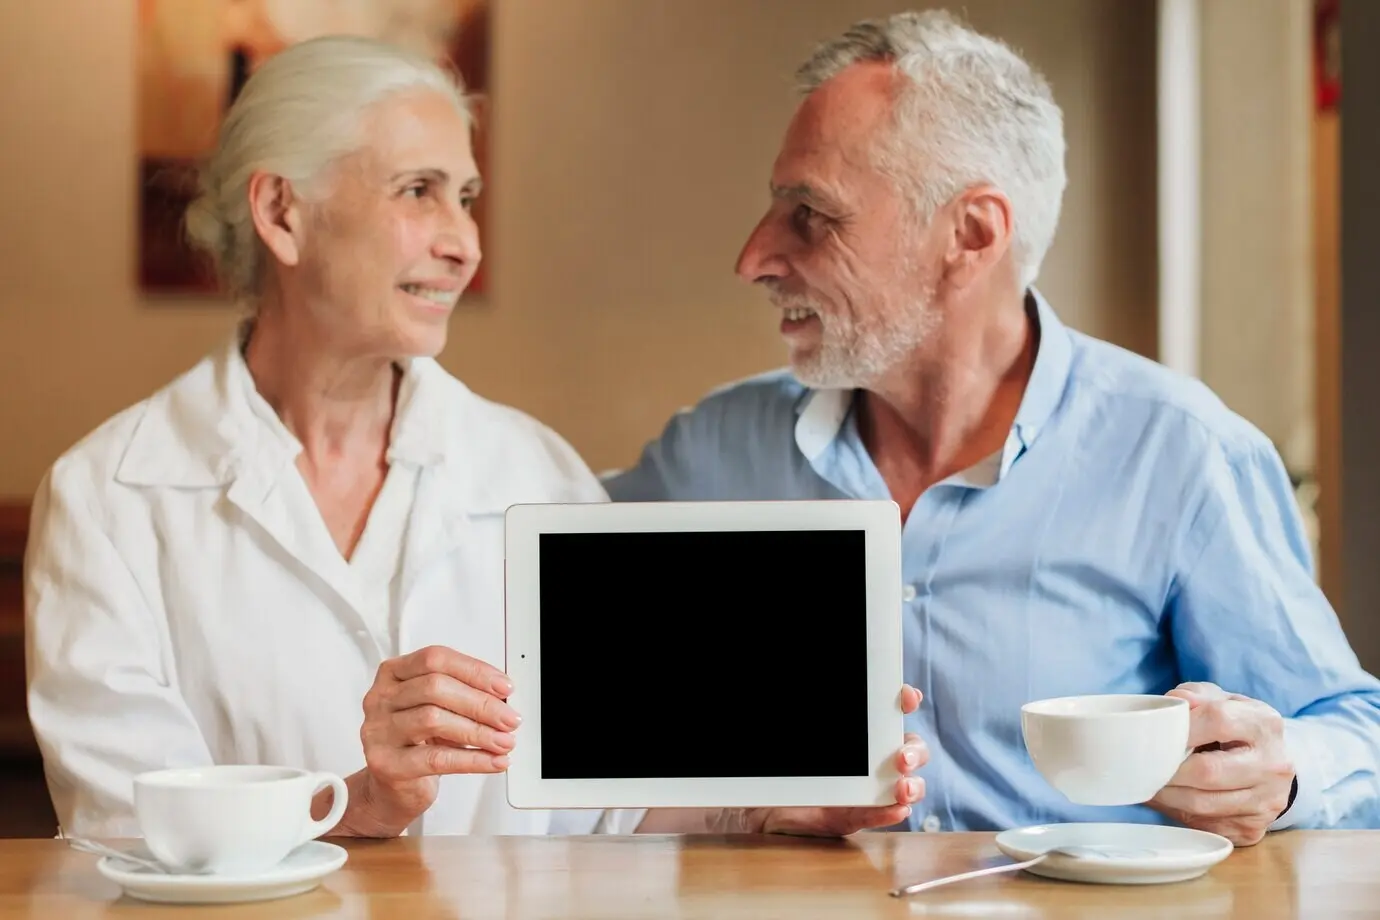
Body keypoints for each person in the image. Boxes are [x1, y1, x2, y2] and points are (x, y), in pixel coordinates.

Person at [24, 36, 924, 839]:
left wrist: (765, 806)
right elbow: (123, 826)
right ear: (282, 213)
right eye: (418, 191)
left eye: (466, 196)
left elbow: (604, 802)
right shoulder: (109, 494)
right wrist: (357, 803)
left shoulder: (533, 469)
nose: (464, 243)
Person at [603, 10, 1380, 846]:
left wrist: (1283, 769)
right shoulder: (712, 452)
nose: (753, 258)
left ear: (971, 234)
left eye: (810, 216)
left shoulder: (1179, 452)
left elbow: (1353, 728)